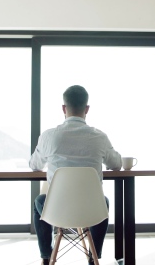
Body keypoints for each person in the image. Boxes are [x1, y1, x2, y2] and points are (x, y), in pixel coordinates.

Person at [29, 85, 122, 265]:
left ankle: (46, 258)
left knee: (40, 201)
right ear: (87, 109)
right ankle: (94, 258)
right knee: (104, 202)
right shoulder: (99, 137)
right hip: (91, 211)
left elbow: (34, 165)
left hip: (57, 211)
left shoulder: (49, 136)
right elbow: (116, 164)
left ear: (64, 108)